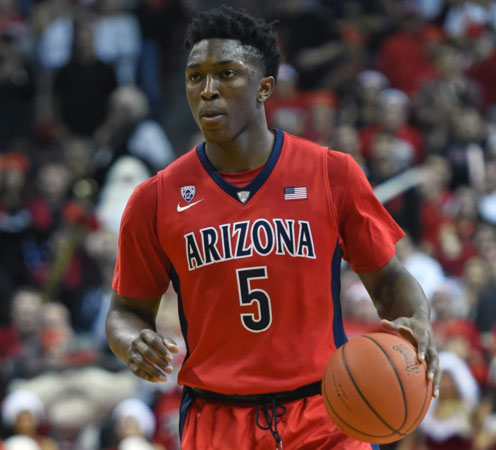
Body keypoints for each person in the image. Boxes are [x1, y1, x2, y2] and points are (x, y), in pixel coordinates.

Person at [105, 6, 439, 449]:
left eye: (226, 74)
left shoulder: (331, 173)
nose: (207, 90)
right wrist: (132, 341)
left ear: (264, 87)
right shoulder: (155, 198)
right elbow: (125, 310)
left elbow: (389, 279)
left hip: (325, 412)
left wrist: (417, 321)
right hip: (218, 419)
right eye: (195, 77)